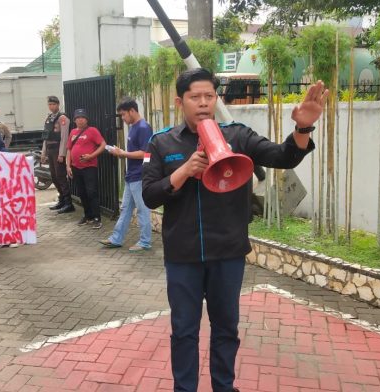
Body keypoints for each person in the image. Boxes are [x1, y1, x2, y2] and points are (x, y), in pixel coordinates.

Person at [142, 68, 327, 392]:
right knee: (184, 330)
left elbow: (283, 157)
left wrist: (302, 127)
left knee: (226, 328)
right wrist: (183, 171)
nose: (202, 103)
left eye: (209, 96)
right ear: (179, 101)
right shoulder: (161, 142)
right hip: (183, 256)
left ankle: (223, 387)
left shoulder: (238, 135)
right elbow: (148, 195)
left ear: (216, 98)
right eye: (194, 97)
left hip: (227, 253)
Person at [99, 98, 153, 252]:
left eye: (123, 115)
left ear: (132, 111)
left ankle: (145, 242)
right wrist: (121, 152)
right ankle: (116, 239)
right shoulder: (134, 127)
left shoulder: (143, 127)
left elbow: (145, 153)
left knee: (143, 210)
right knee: (125, 209)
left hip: (139, 176)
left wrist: (123, 153)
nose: (122, 118)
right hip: (132, 176)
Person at [66, 109, 106, 229]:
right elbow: (68, 149)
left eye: (82, 117)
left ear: (86, 119)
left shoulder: (92, 131)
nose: (80, 119)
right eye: (77, 118)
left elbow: (103, 144)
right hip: (76, 167)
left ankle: (97, 217)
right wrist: (68, 166)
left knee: (92, 192)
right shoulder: (72, 132)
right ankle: (87, 215)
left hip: (89, 167)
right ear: (74, 120)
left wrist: (91, 156)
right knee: (82, 193)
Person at [40, 96, 74, 214]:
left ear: (58, 104)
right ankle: (62, 200)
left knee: (60, 176)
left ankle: (68, 203)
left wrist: (62, 154)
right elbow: (45, 136)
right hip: (49, 149)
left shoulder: (62, 118)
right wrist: (43, 153)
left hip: (57, 150)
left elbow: (65, 137)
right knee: (54, 177)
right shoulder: (49, 118)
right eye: (50, 104)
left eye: (53, 104)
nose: (51, 106)